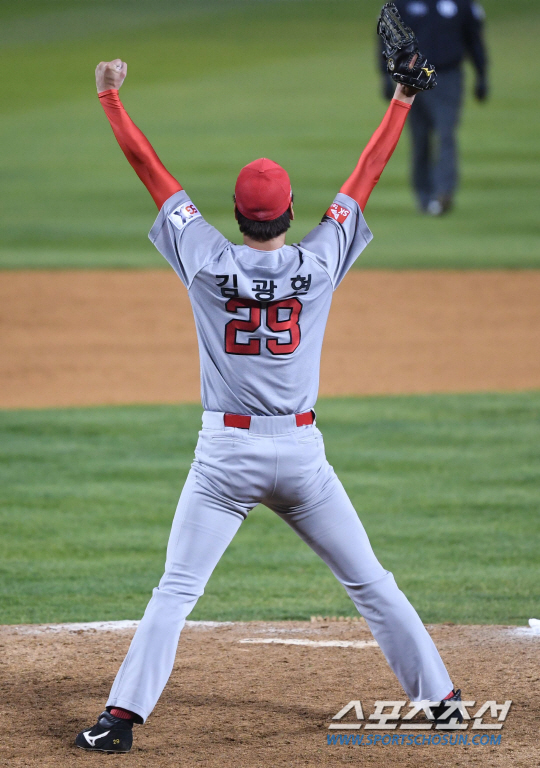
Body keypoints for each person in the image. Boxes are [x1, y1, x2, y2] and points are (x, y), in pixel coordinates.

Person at [75, 52, 462, 753]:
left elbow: (151, 170)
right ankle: (443, 702)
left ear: (235, 214)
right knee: (372, 583)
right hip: (303, 458)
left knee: (176, 591)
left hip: (224, 459)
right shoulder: (320, 261)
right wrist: (402, 98)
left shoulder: (204, 257)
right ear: (289, 212)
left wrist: (111, 99)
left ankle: (120, 722)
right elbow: (365, 176)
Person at [380, 0, 488, 215]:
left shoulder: (461, 4)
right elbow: (387, 38)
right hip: (411, 77)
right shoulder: (401, 4)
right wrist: (385, 75)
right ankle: (424, 196)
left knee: (446, 134)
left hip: (447, 76)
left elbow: (473, 39)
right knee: (420, 139)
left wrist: (481, 74)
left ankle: (443, 193)